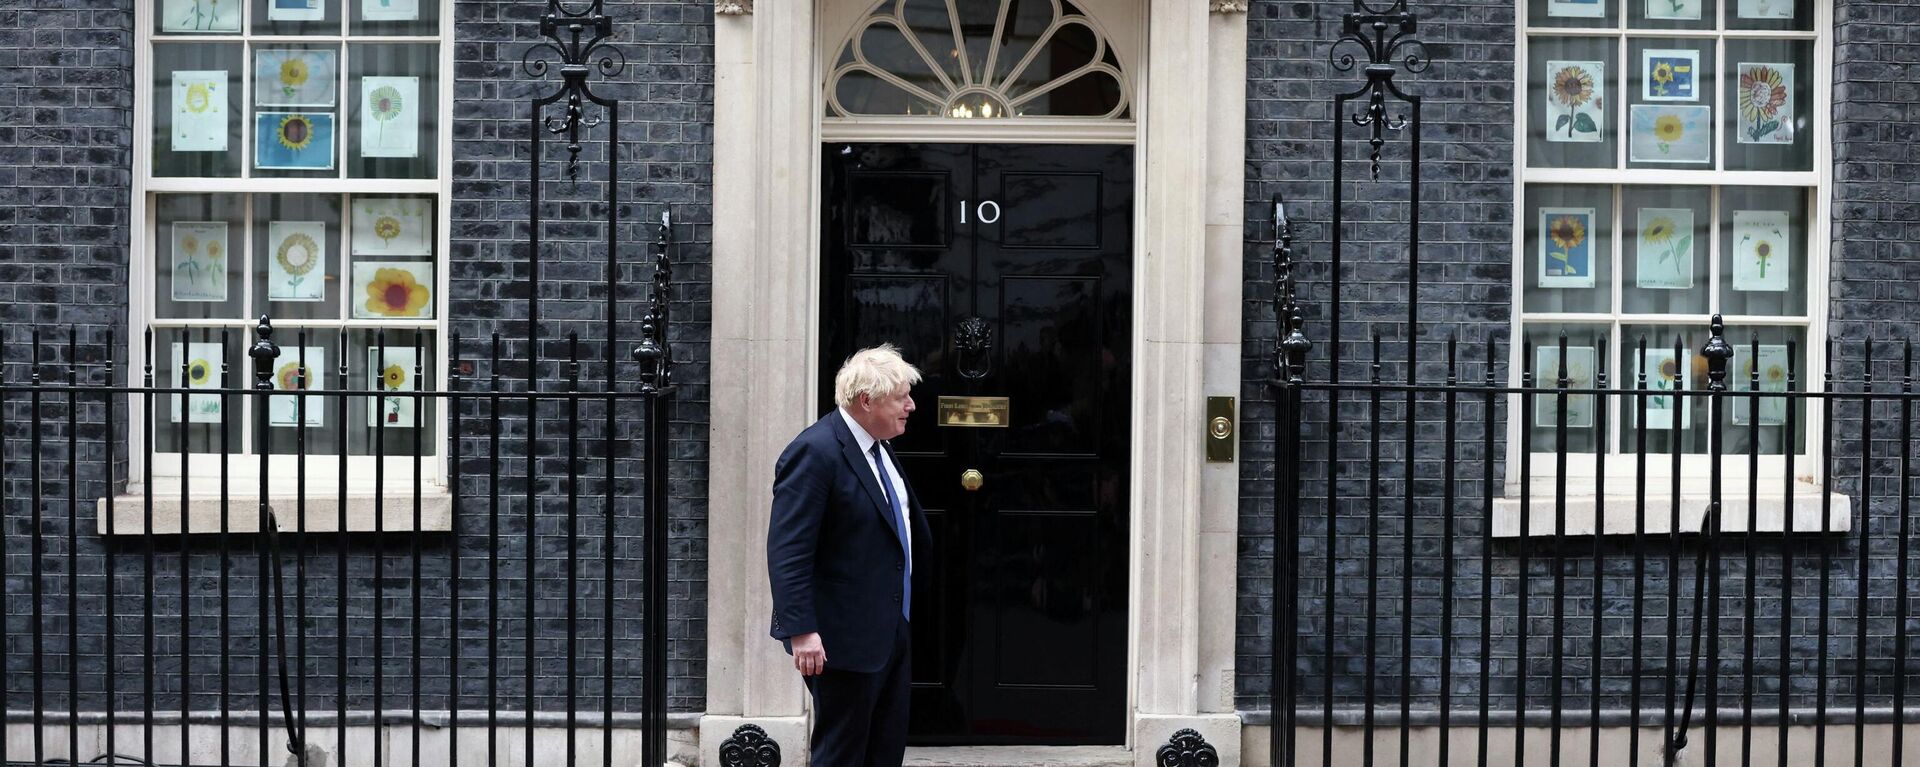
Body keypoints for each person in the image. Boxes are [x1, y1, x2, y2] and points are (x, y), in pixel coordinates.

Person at [767, 344, 931, 767]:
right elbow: (789, 549)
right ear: (866, 400)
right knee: (842, 754)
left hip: (889, 629)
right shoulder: (815, 452)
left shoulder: (877, 446)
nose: (911, 406)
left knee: (884, 749)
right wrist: (801, 630)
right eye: (901, 397)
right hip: (841, 639)